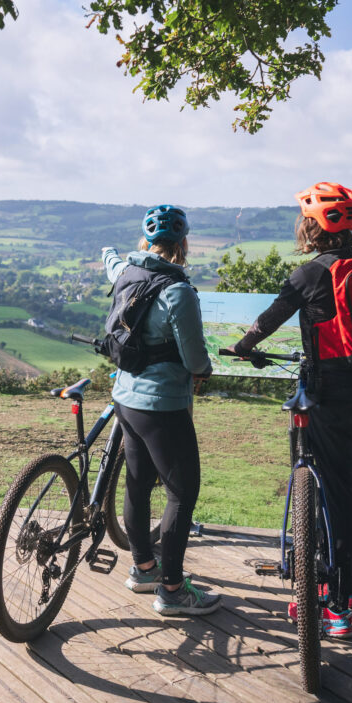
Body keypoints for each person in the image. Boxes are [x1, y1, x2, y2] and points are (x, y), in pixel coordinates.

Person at [231, 182, 352, 638]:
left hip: (328, 393)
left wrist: (244, 348)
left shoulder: (310, 274)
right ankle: (351, 581)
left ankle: (335, 603)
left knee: (332, 490)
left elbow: (268, 320)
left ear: (312, 227)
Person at [102, 204, 220, 616]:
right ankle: (172, 590)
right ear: (183, 244)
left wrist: (105, 251)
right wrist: (207, 371)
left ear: (146, 242)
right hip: (163, 405)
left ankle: (143, 568)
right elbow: (194, 359)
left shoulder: (126, 275)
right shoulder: (178, 292)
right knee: (181, 493)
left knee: (137, 482)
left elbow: (111, 264)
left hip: (125, 398)